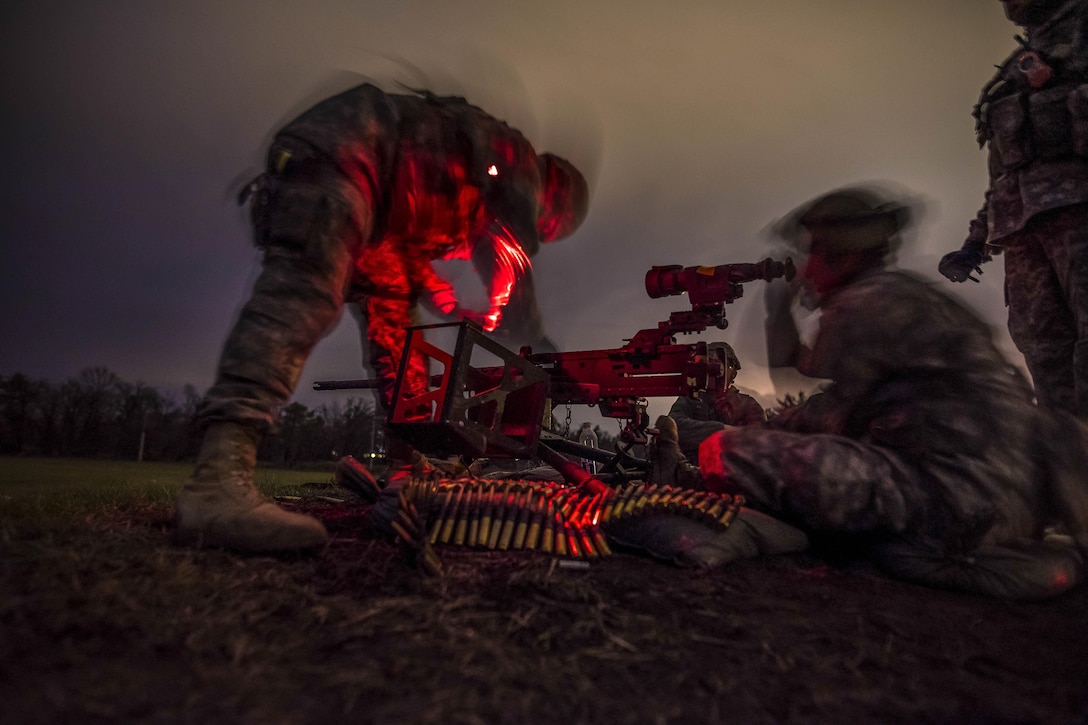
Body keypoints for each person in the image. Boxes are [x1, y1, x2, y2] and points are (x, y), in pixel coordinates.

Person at [176, 83, 589, 552]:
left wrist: (457, 308)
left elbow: (412, 265)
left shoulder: (464, 180)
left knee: (404, 352)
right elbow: (514, 255)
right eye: (547, 226)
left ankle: (406, 474)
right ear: (553, 196)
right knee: (303, 296)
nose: (538, 229)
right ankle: (216, 482)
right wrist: (542, 343)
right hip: (347, 157)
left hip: (380, 217)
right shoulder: (520, 165)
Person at [700, 185, 1088, 600]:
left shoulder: (863, 305)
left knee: (727, 450)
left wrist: (779, 298)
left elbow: (801, 383)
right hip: (1016, 498)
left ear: (842, 254)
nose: (806, 268)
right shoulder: (906, 295)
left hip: (949, 505)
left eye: (811, 255)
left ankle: (929, 551)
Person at [939, 0, 1088, 418]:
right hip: (1023, 235)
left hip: (1080, 214)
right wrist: (975, 244)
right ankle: (1071, 469)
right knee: (1045, 354)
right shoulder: (1010, 74)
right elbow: (1004, 178)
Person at [667, 341, 765, 464]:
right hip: (693, 470)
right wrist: (721, 430)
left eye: (720, 365)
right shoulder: (691, 398)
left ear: (733, 372)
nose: (715, 372)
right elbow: (673, 426)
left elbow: (760, 441)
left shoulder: (748, 405)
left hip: (733, 472)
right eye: (710, 365)